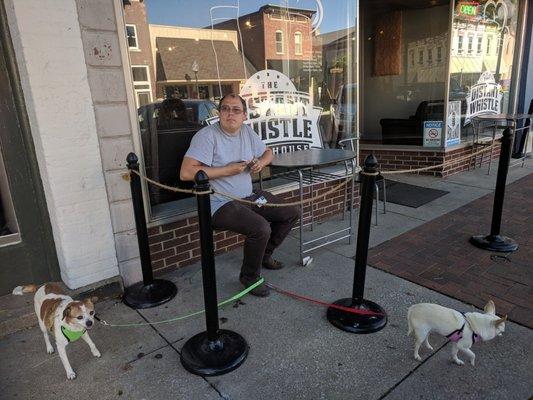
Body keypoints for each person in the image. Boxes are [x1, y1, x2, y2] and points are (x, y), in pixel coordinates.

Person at [180, 94, 299, 297]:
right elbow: (186, 173)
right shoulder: (207, 136)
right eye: (225, 109)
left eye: (236, 110)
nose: (230, 114)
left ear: (244, 115)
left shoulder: (246, 131)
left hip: (249, 196)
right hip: (219, 202)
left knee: (290, 212)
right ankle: (250, 278)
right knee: (261, 228)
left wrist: (260, 163)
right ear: (219, 113)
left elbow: (269, 152)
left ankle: (265, 254)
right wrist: (226, 170)